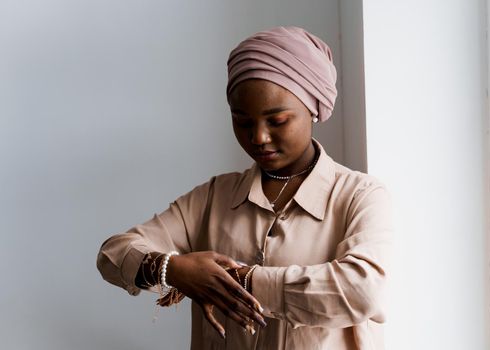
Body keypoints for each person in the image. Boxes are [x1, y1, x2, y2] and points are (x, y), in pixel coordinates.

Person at [97, 26, 392, 350]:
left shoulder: (359, 196)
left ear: (314, 108)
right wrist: (175, 269)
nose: (258, 137)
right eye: (242, 121)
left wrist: (241, 282)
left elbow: (363, 291)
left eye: (277, 121)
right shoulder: (212, 198)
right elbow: (114, 254)